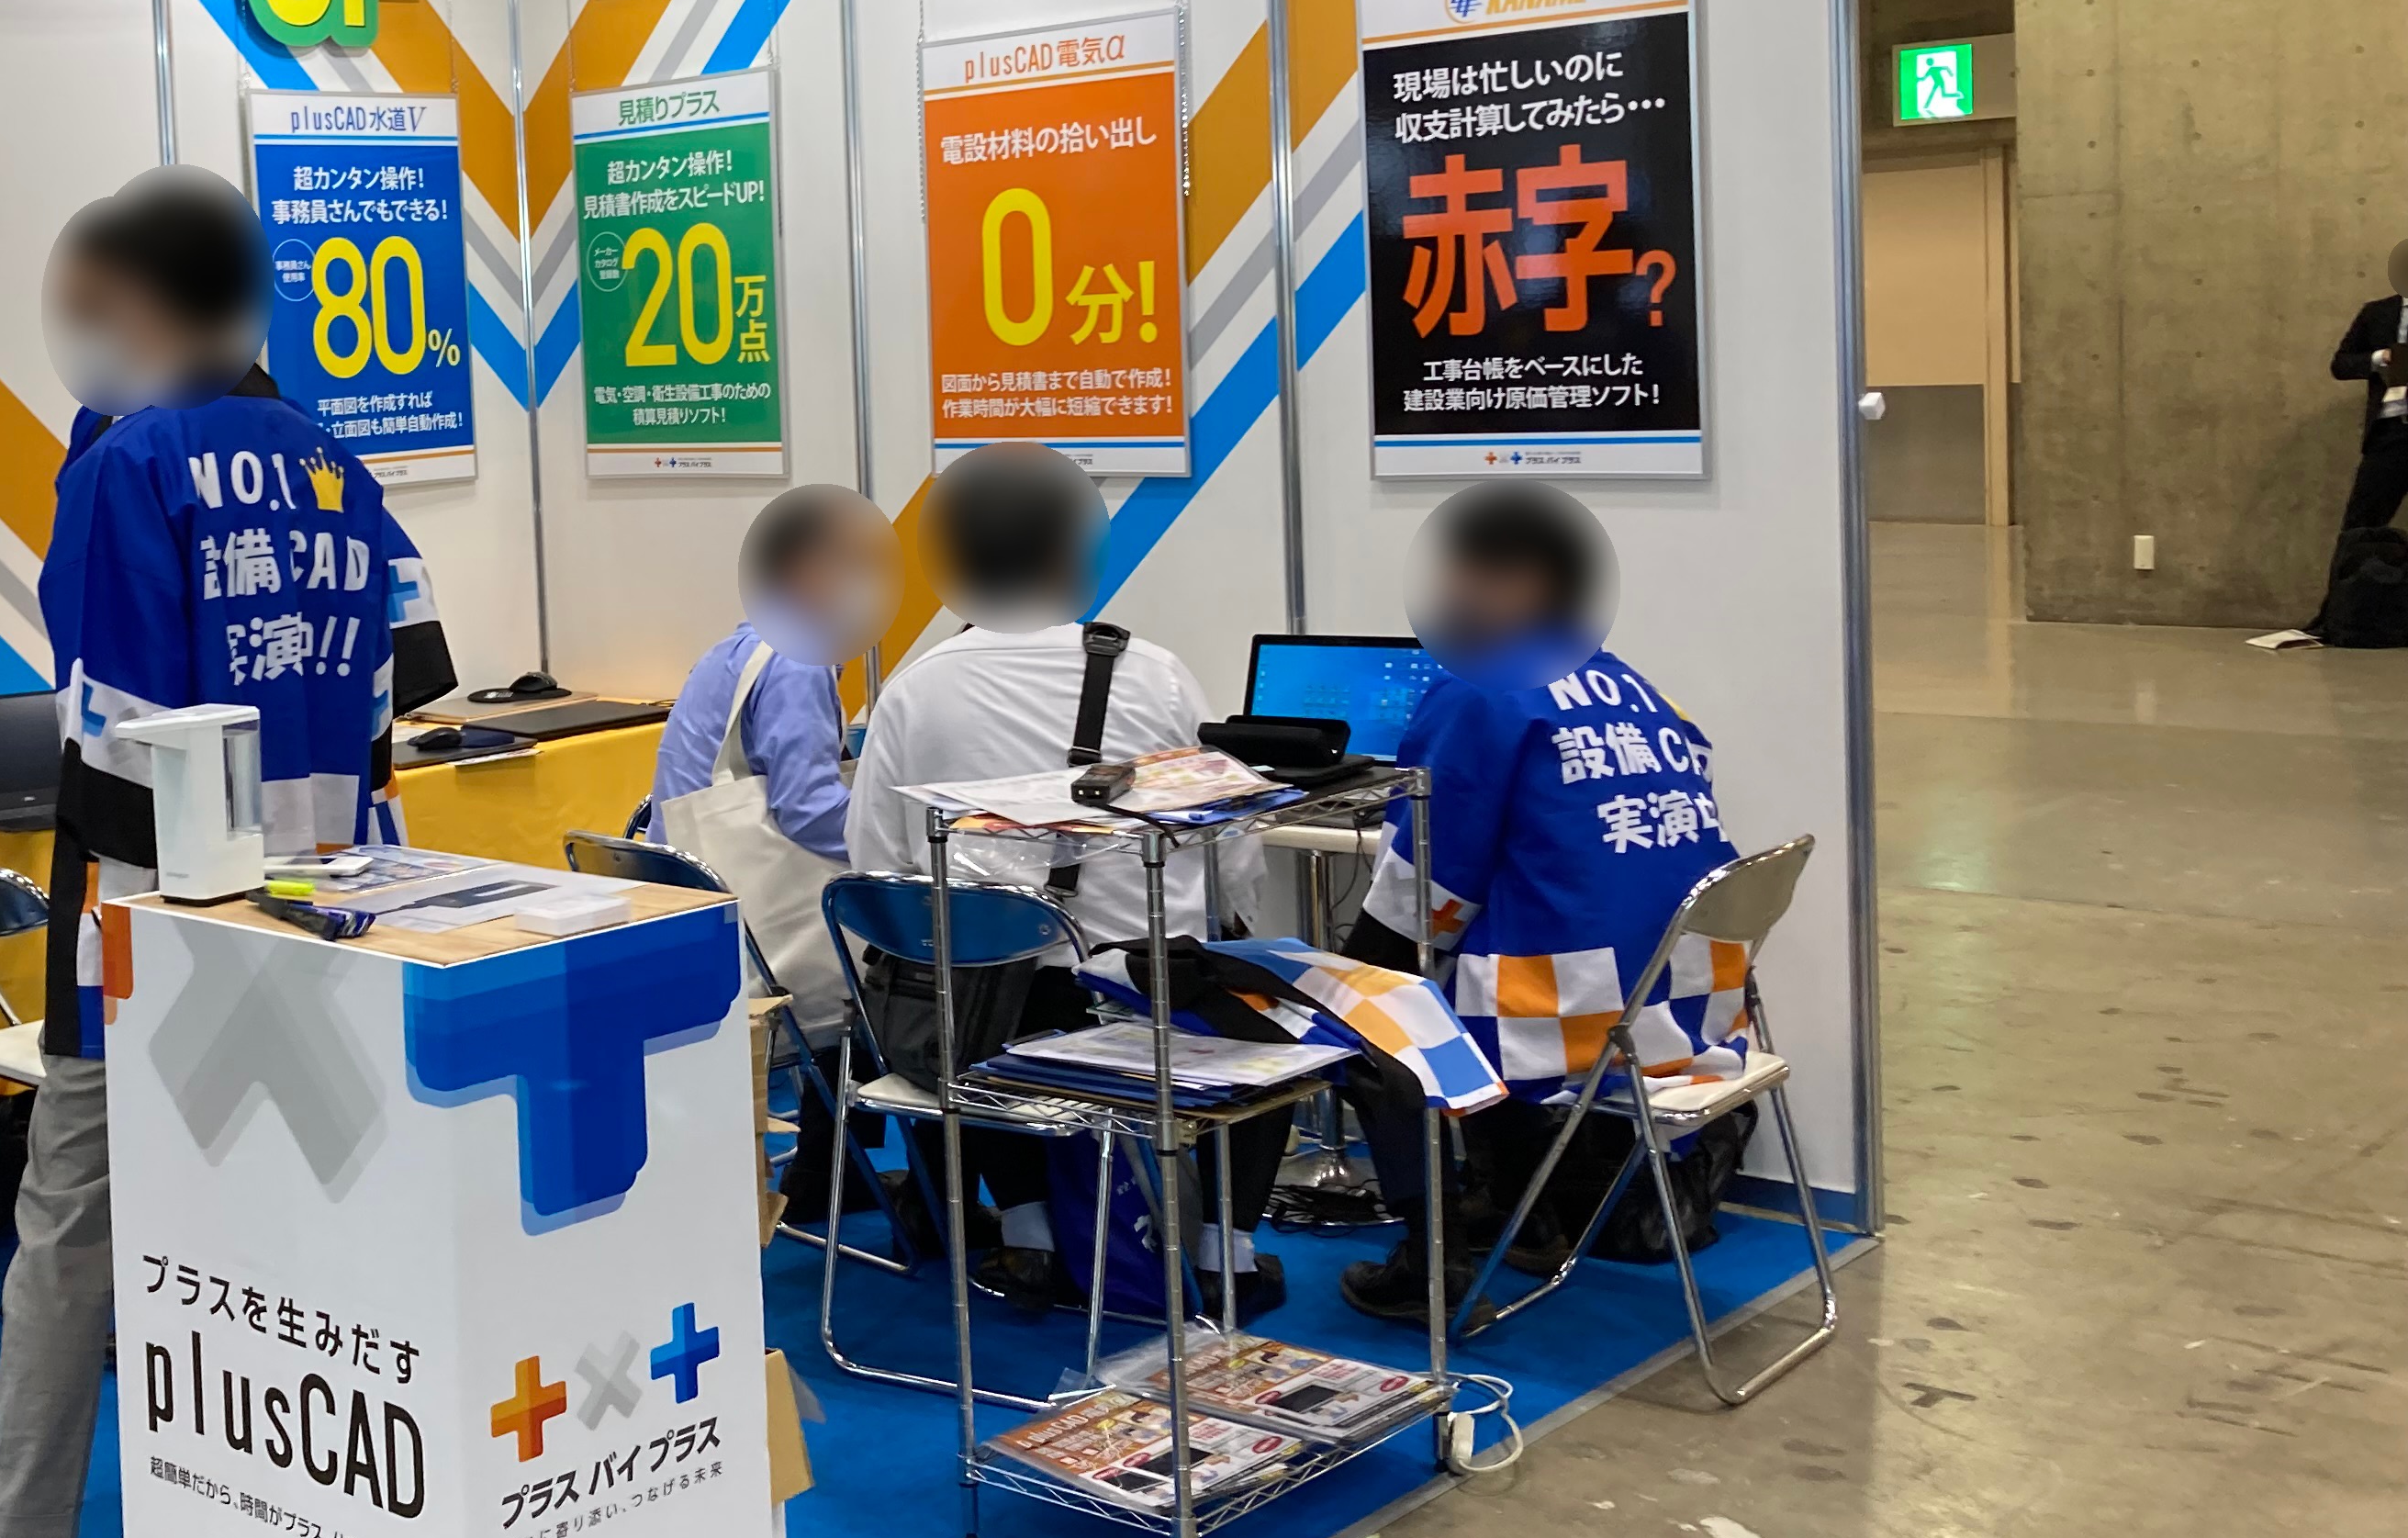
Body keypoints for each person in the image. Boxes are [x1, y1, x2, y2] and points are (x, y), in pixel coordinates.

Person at [0, 168, 447, 1538]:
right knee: (298, 1225)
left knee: (73, 1222)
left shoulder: (129, 471)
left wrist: (142, 939)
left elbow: (116, 729)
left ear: (136, 304)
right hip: (333, 909)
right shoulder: (338, 463)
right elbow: (413, 685)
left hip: (153, 927)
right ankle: (310, 1526)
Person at [846, 443, 1283, 1317]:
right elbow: (1229, 848)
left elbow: (874, 865)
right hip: (1149, 996)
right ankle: (1221, 1253)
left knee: (978, 998)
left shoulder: (913, 692)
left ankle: (1030, 1237)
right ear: (1073, 554)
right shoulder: (1153, 671)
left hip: (984, 1021)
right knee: (1277, 1019)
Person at [1338, 481, 1751, 1320]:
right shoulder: (1632, 685)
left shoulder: (1480, 690)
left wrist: (1344, 975)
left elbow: (1427, 890)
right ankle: (1515, 1204)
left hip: (1569, 1021)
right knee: (1430, 975)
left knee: (1362, 1017)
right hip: (1685, 1007)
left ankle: (1431, 1262)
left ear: (1522, 584)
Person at [650, 483, 888, 868]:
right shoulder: (798, 661)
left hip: (676, 873)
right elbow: (808, 812)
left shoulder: (733, 648)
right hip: (735, 888)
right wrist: (897, 845)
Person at [2328, 241, 2408, 538]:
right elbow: (2341, 364)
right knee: (2361, 527)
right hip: (2392, 430)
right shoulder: (2377, 313)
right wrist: (2380, 358)